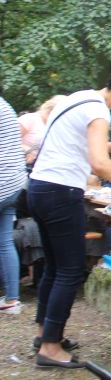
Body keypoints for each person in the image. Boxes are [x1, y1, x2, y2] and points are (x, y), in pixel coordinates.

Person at [28, 61, 111, 369]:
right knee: (70, 271)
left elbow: (73, 143)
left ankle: (45, 334)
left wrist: (110, 147)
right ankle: (50, 349)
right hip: (61, 192)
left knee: (54, 267)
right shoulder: (99, 110)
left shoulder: (78, 97)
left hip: (39, 187)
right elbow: (99, 163)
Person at [0, 94, 27, 315]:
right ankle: (12, 300)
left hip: (2, 180)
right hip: (14, 182)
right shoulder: (5, 105)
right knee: (4, 242)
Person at [18, 96, 65, 167]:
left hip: (41, 166)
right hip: (21, 164)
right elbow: (7, 140)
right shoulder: (30, 119)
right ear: (50, 109)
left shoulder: (56, 126)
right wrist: (26, 149)